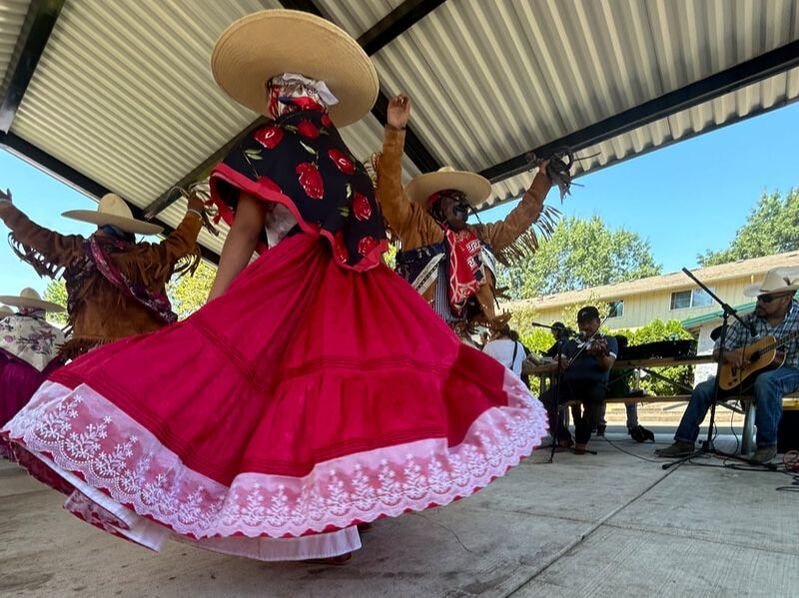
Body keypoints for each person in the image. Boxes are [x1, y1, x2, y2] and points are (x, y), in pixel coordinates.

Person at [2, 9, 547, 565]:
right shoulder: (344, 166)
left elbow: (243, 231)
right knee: (343, 396)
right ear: (322, 106)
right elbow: (368, 230)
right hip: (359, 289)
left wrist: (216, 311)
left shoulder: (267, 145)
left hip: (289, 281)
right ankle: (339, 515)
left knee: (276, 395)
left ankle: (319, 521)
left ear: (278, 101)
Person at [376, 95, 556, 333]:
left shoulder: (480, 237)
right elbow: (389, 192)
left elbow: (516, 222)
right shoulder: (416, 225)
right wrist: (395, 130)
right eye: (456, 199)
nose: (464, 205)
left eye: (465, 201)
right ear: (437, 203)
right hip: (417, 333)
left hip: (461, 338)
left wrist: (543, 180)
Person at [0, 189, 204, 359]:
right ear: (129, 231)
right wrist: (194, 211)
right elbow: (180, 243)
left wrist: (6, 208)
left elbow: (34, 234)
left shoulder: (77, 251)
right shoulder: (147, 257)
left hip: (93, 358)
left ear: (99, 226)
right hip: (145, 355)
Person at [656, 267, 799, 464]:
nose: (759, 302)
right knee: (702, 390)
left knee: (766, 381)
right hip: (744, 376)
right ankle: (684, 441)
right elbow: (719, 350)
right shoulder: (747, 320)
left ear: (786, 298)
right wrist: (731, 356)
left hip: (790, 371)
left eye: (766, 299)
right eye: (759, 298)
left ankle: (767, 446)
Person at [540, 306, 618, 454]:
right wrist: (560, 364)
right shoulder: (571, 344)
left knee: (596, 397)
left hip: (594, 384)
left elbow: (607, 365)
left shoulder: (609, 340)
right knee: (543, 402)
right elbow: (558, 361)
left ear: (598, 322)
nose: (586, 326)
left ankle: (582, 439)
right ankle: (562, 436)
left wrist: (599, 354)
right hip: (571, 384)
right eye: (582, 323)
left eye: (590, 322)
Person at [0, 288, 66, 452]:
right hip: (46, 380)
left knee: (13, 411)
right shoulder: (55, 332)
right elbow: (63, 357)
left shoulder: (7, 326)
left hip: (13, 376)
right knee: (38, 415)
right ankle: (36, 447)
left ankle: (11, 446)